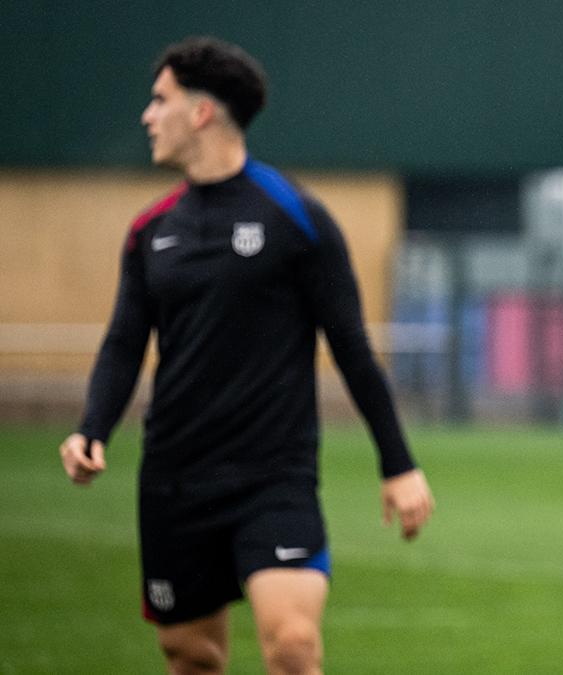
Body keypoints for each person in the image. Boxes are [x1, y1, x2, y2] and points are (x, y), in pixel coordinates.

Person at [58, 36, 434, 674]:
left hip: (273, 478)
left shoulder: (296, 217)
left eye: (160, 100)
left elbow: (350, 347)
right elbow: (124, 342)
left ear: (201, 112)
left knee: (291, 647)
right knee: (192, 655)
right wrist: (92, 427)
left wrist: (398, 465)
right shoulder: (150, 232)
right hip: (175, 479)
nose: (147, 116)